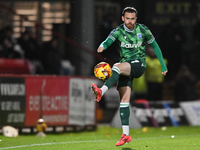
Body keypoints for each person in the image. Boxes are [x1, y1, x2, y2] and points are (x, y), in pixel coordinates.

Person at [91, 7, 168, 146]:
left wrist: (162, 65)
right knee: (124, 101)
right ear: (123, 18)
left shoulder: (143, 30)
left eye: (132, 19)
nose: (130, 21)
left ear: (136, 19)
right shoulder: (118, 31)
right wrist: (102, 45)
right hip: (126, 67)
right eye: (128, 19)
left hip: (139, 65)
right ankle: (126, 134)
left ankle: (101, 91)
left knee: (116, 67)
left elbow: (155, 46)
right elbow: (108, 40)